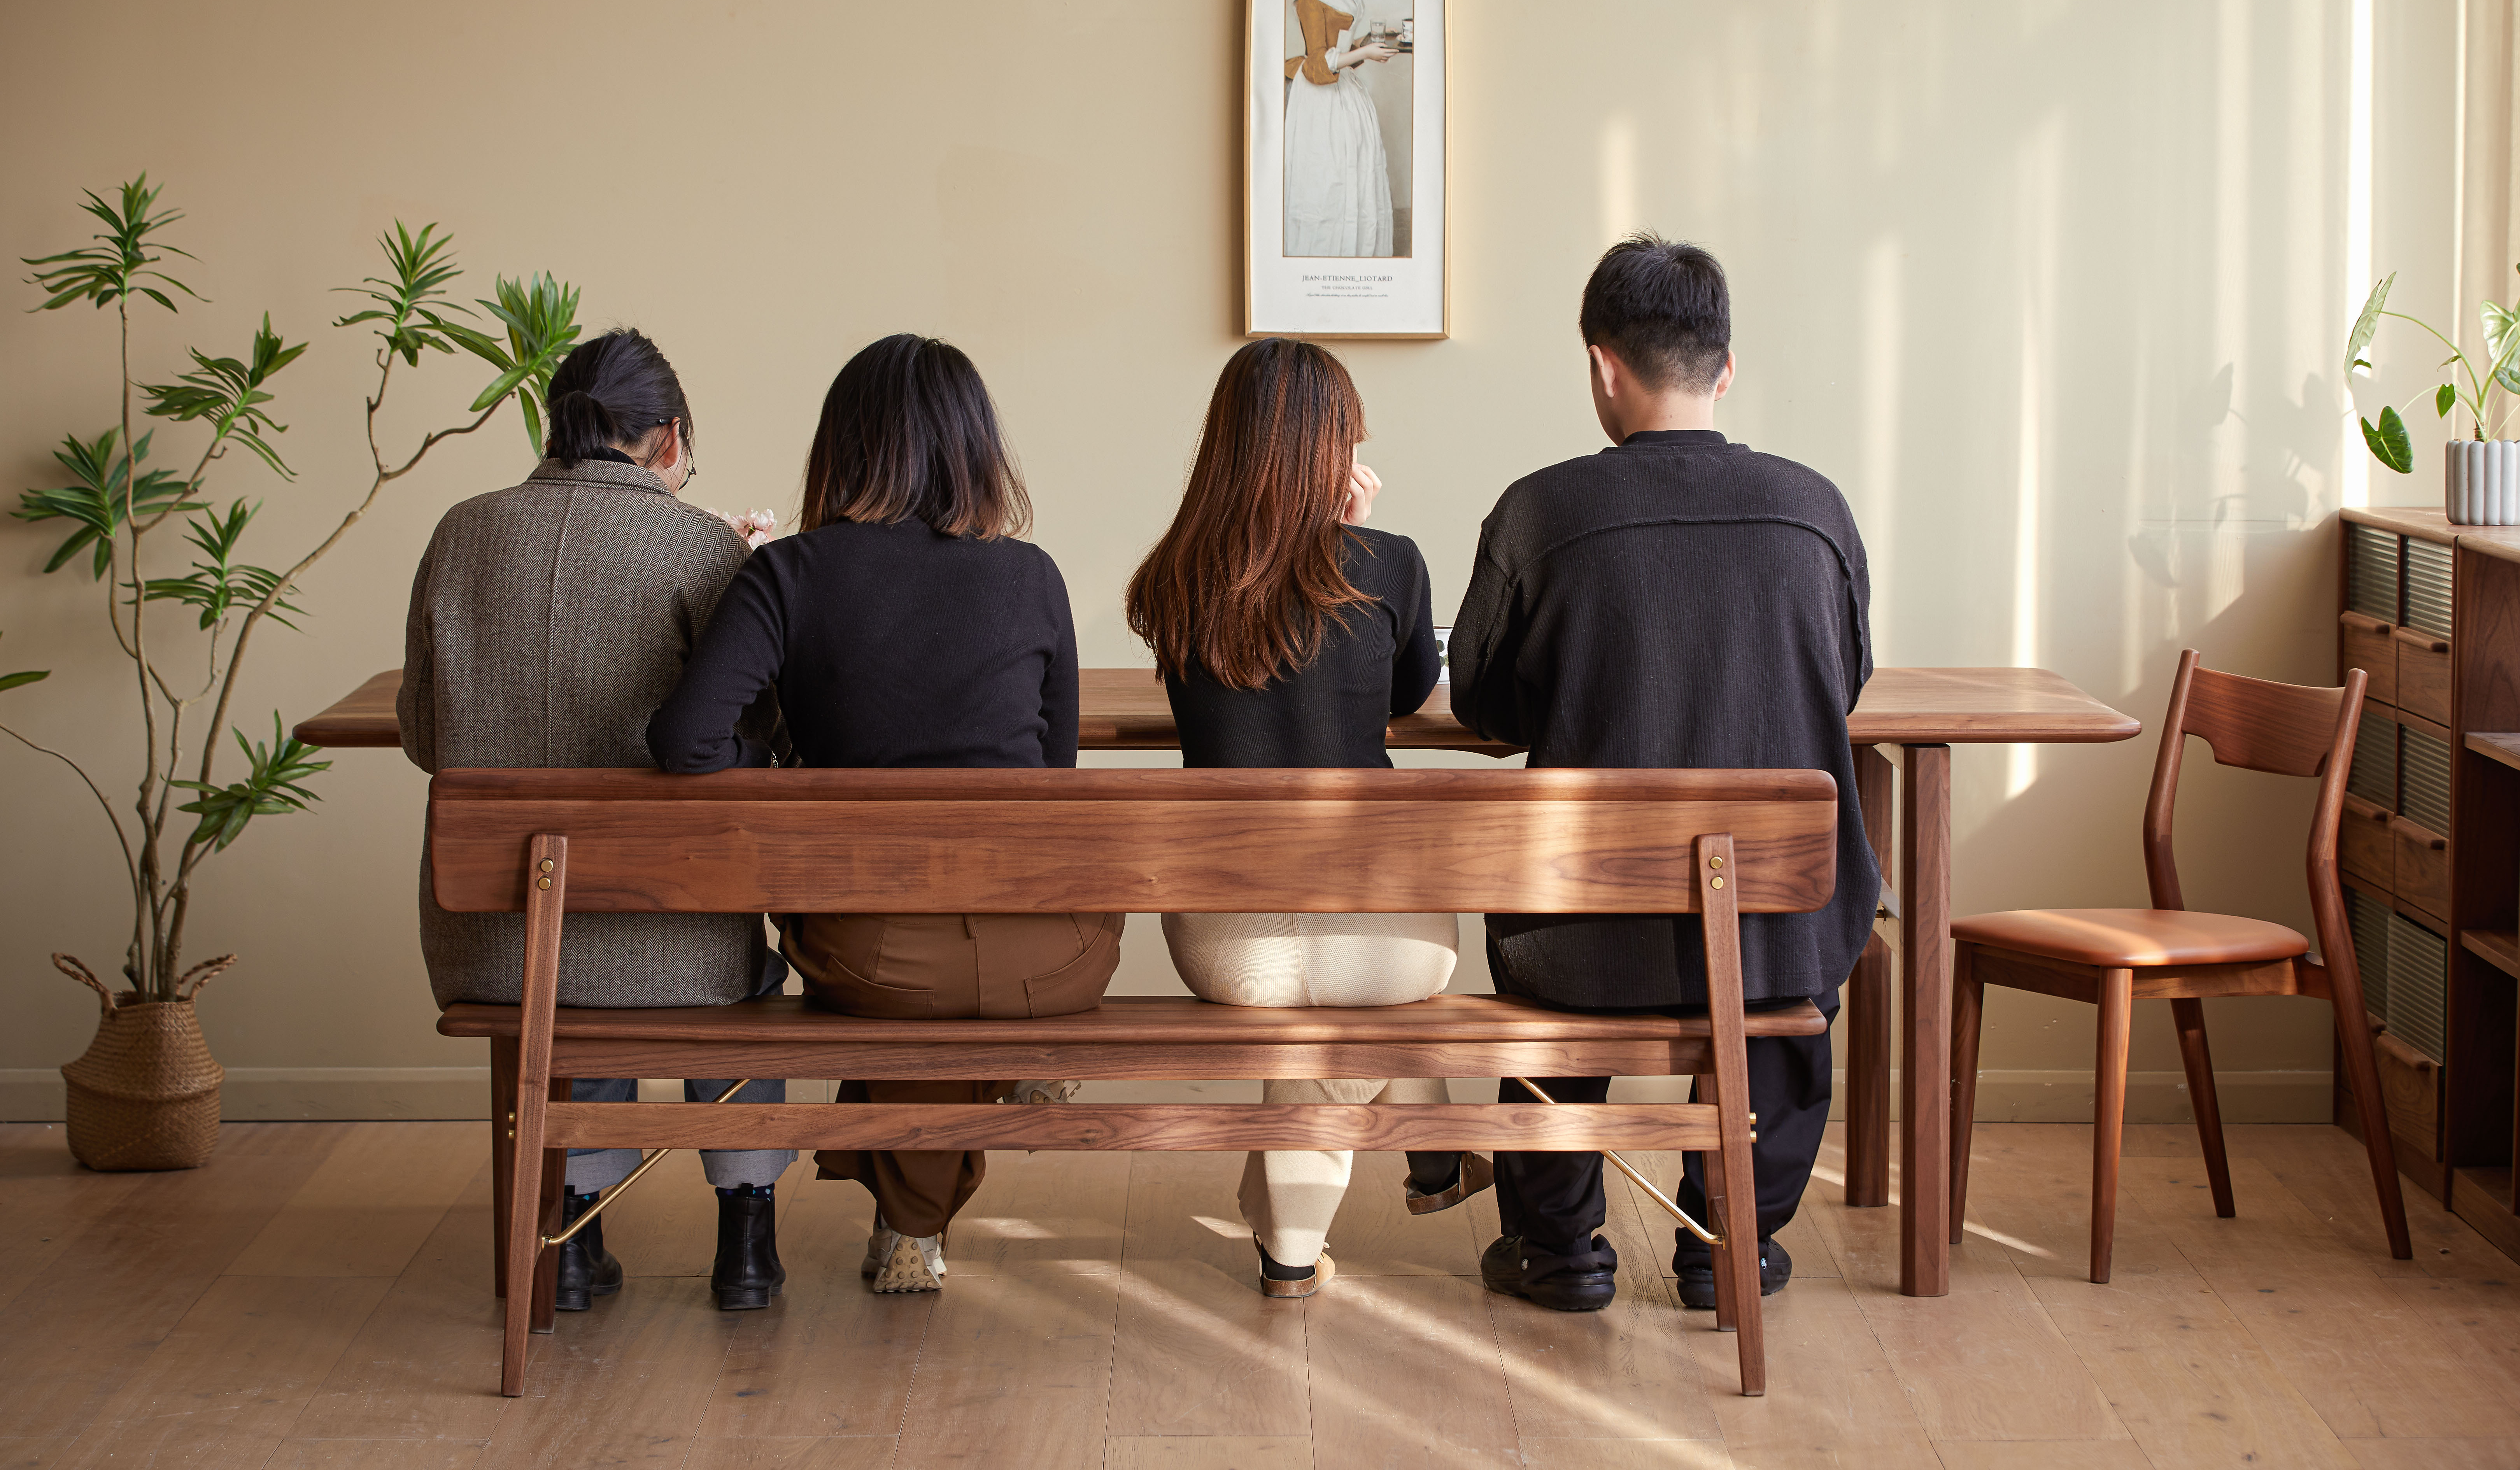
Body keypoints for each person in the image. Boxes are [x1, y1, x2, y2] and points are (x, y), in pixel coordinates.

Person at [1449, 236, 1879, 1314]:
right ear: (1724, 368)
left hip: (1586, 933)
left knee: (1548, 963)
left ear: (1602, 366)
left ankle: (1558, 1250)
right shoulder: (1813, 512)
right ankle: (1730, 1242)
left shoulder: (1538, 514)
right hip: (1774, 928)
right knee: (1788, 964)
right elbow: (1849, 681)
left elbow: (1484, 705)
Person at [648, 333, 1109, 1296]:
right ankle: (961, 1142)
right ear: (976, 448)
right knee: (968, 955)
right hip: (1053, 955)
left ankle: (911, 1224)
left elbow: (686, 742)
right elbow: (1056, 783)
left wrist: (778, 767)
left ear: (844, 445)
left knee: (908, 965)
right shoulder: (1033, 577)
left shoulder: (792, 574)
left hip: (872, 957)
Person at [398, 329, 795, 1315]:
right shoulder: (699, 545)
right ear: (668, 440)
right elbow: (758, 742)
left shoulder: (459, 533)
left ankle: (569, 1244)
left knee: (573, 939)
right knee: (716, 955)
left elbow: (421, 733)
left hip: (491, 947)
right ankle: (745, 1241)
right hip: (677, 952)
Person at [1125, 338, 1490, 1299]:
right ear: (1334, 455)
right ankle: (1367, 1193)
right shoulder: (1391, 563)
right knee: (1365, 1018)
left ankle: (1399, 1182)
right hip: (1388, 943)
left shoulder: (1172, 580)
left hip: (1228, 945)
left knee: (1317, 1029)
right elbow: (1410, 688)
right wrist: (1353, 535)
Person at [1284, 0, 1400, 258]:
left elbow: (1344, 54)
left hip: (1348, 93)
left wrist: (1372, 42)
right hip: (1321, 100)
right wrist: (1366, 52)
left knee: (1357, 173)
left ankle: (1355, 250)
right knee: (1328, 176)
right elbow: (1318, 64)